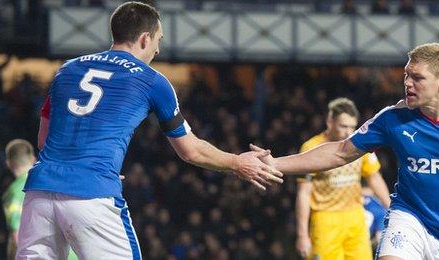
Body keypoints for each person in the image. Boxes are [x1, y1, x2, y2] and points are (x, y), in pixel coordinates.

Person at [16, 2, 283, 259]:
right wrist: (237, 162)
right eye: (158, 40)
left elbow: (43, 140)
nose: (157, 50)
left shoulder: (67, 70)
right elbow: (190, 151)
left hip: (39, 193)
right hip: (92, 196)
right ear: (145, 38)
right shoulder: (152, 81)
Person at [251, 42, 439, 260]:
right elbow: (339, 152)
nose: (407, 83)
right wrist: (275, 163)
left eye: (417, 77)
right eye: (406, 75)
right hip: (407, 219)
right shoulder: (392, 119)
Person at [295, 98, 391, 260]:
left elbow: (374, 178)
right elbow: (304, 194)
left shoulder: (360, 144)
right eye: (343, 126)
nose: (349, 132)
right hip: (325, 220)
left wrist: (391, 210)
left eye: (352, 127)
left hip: (356, 218)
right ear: (329, 121)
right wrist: (302, 234)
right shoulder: (311, 148)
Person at [3, 139, 78, 260]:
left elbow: (17, 235)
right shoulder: (55, 179)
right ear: (33, 158)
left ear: (8, 163)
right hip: (73, 252)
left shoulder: (14, 193)